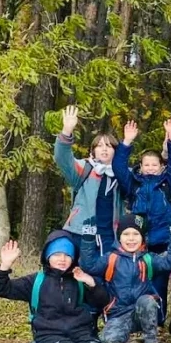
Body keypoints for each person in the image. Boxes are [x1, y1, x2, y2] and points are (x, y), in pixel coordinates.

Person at [80, 214, 171, 343]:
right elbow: (89, 266)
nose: (131, 239)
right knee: (108, 340)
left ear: (143, 237)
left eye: (136, 234)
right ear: (119, 237)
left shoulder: (148, 258)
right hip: (119, 314)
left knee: (147, 301)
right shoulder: (111, 258)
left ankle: (151, 342)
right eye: (126, 234)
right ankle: (122, 342)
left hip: (144, 311)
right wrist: (88, 239)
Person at [0, 233, 109, 343]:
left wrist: (91, 283)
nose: (62, 259)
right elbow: (0, 289)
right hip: (49, 333)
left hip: (80, 332)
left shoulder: (79, 279)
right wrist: (5, 266)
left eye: (67, 255)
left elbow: (102, 302)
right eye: (57, 254)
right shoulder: (35, 281)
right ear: (47, 256)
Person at [113, 117, 171, 314]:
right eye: (147, 165)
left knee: (159, 284)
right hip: (138, 243)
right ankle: (134, 317)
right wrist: (126, 142)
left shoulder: (168, 185)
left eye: (154, 165)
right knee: (137, 281)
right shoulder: (133, 184)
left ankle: (158, 319)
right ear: (141, 167)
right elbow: (119, 168)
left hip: (162, 243)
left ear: (161, 167)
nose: (150, 168)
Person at [54, 105, 124, 255]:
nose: (104, 149)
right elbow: (62, 158)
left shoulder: (123, 174)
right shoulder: (85, 168)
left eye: (109, 146)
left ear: (115, 151)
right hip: (81, 233)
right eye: (99, 146)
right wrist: (66, 131)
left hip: (111, 236)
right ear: (93, 151)